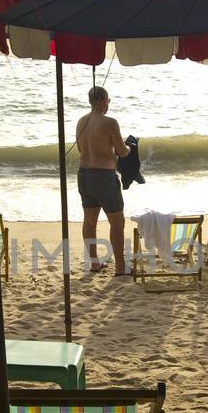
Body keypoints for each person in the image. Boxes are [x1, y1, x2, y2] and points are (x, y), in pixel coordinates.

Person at [75, 85, 131, 275]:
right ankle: (121, 267)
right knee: (117, 222)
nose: (108, 104)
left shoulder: (81, 122)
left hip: (83, 174)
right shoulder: (110, 123)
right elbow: (122, 151)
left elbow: (81, 150)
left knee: (89, 221)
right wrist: (130, 149)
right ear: (102, 100)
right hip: (104, 177)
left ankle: (94, 263)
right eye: (108, 100)